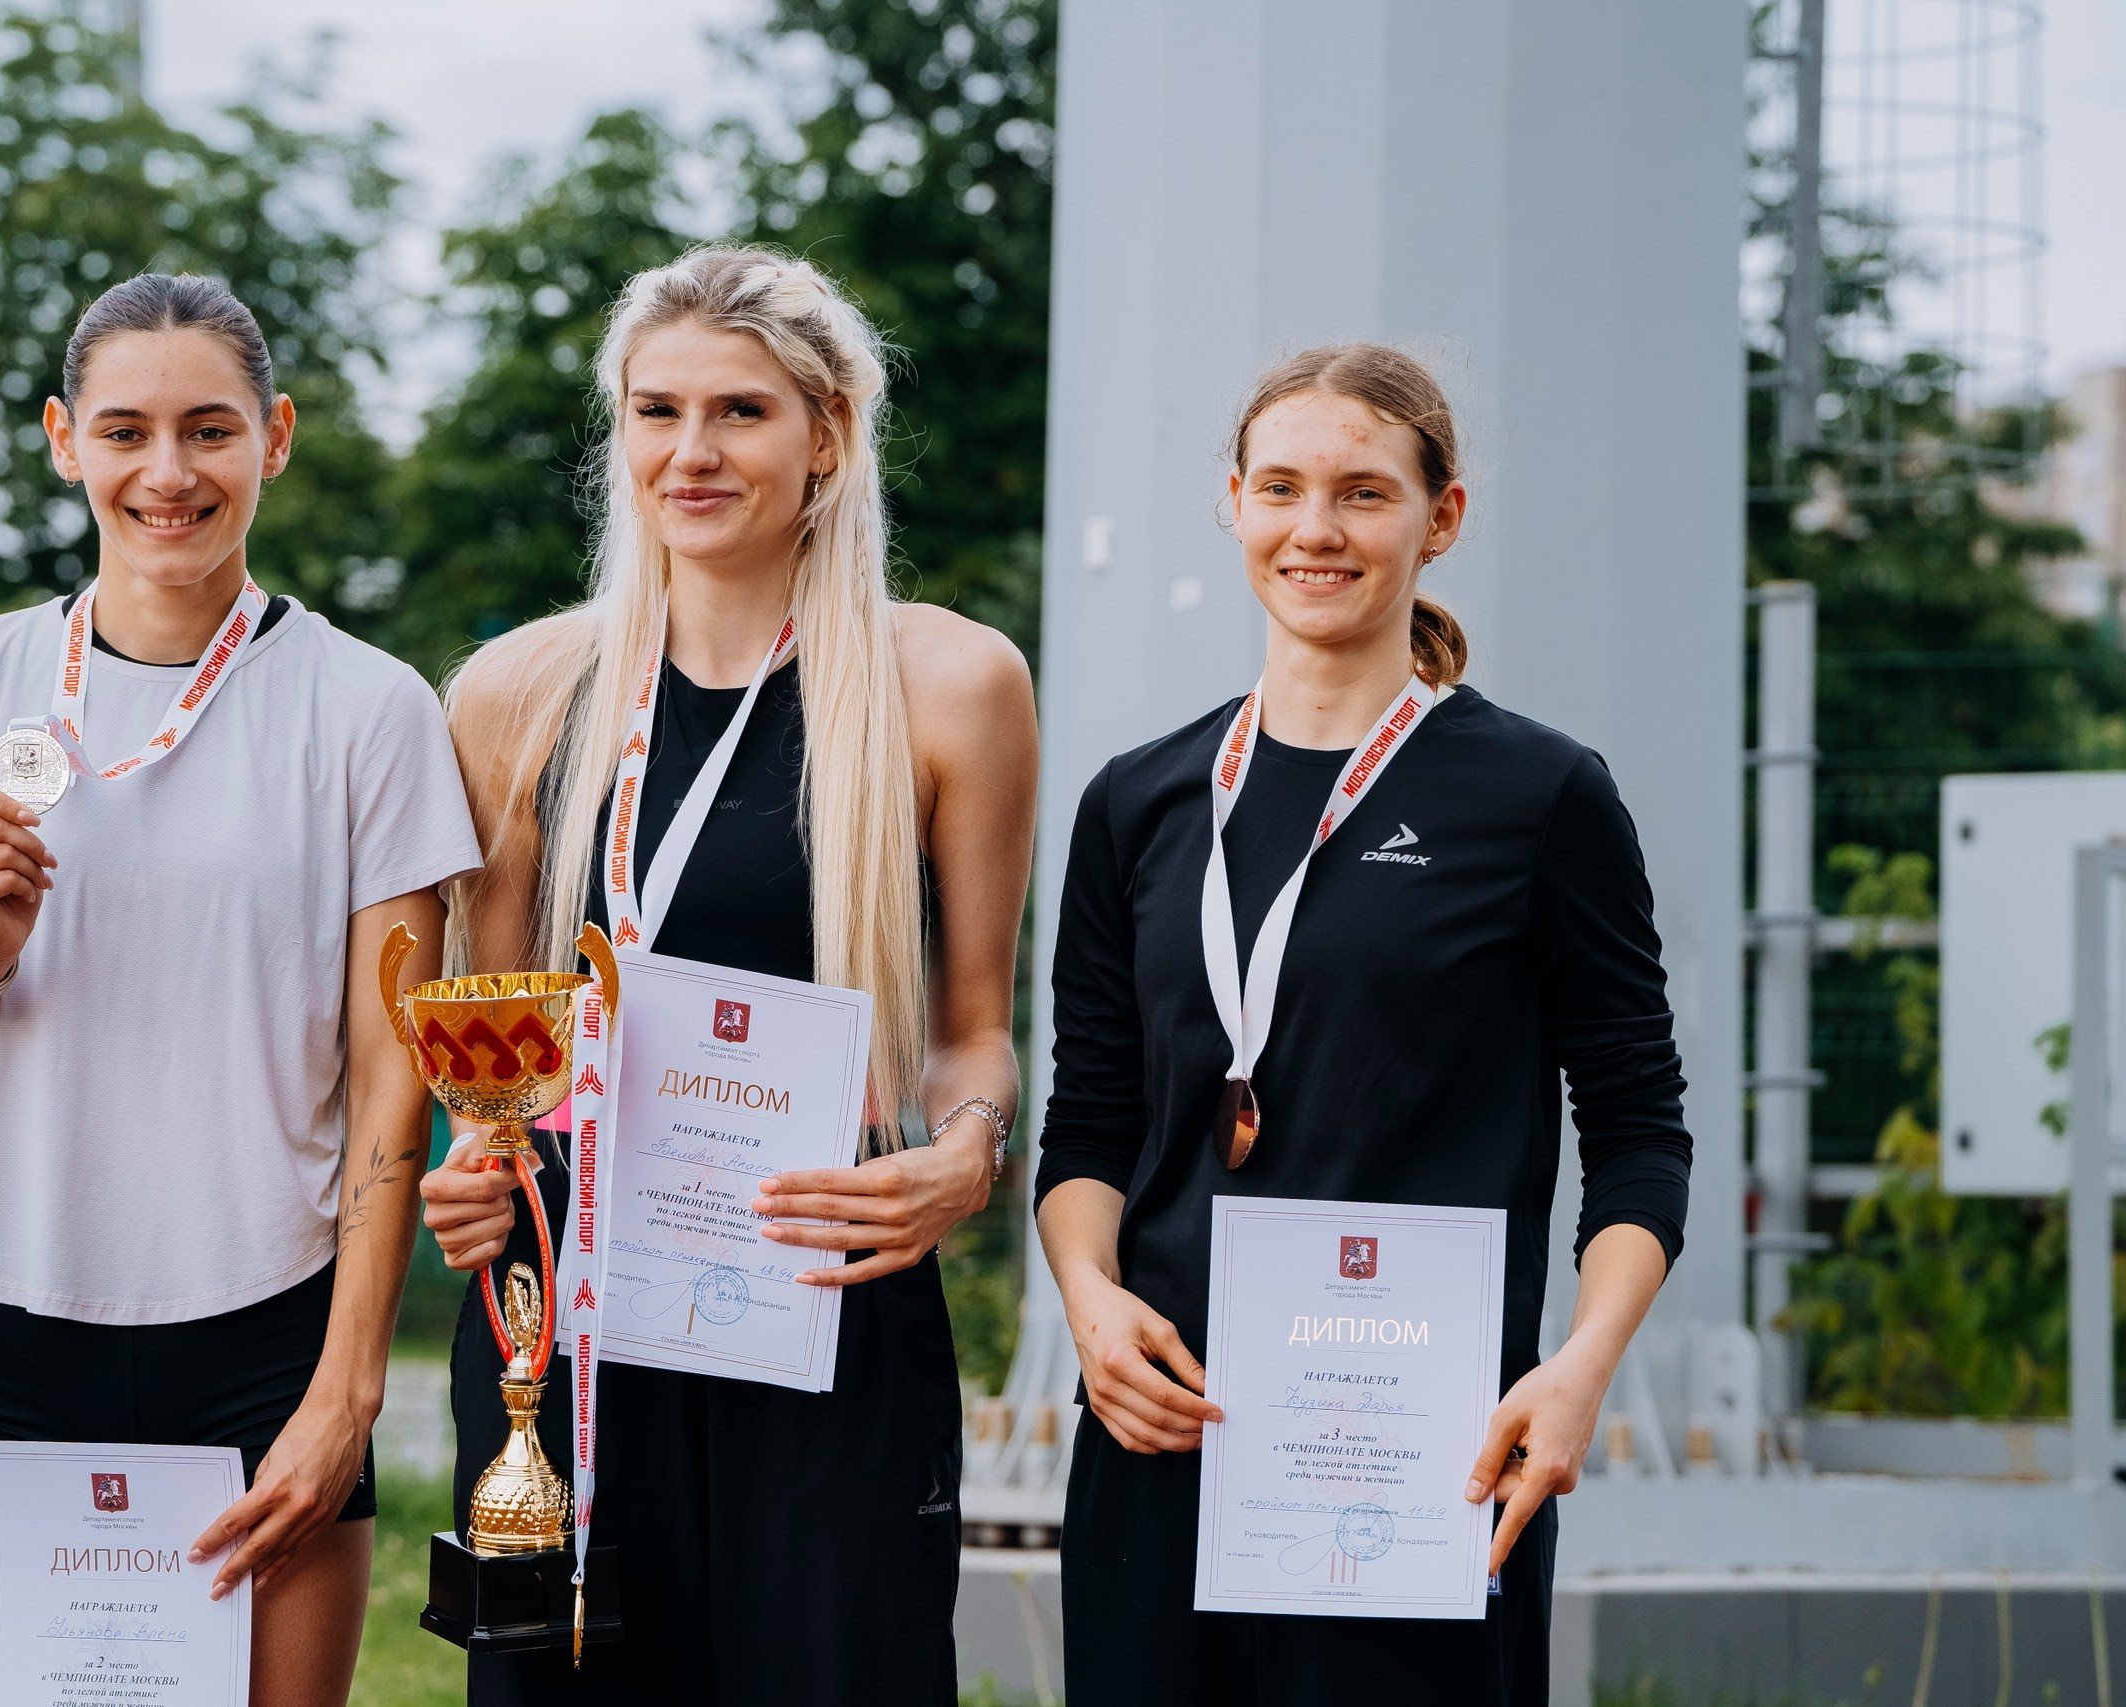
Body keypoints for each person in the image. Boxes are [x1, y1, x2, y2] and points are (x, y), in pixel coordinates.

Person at [0, 273, 482, 1707]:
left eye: (211, 430)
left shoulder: (371, 710)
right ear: (65, 441)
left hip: (269, 1331)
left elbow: (393, 1085)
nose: (168, 474)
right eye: (125, 432)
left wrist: (346, 1392)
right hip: (3, 1319)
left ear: (277, 436)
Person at [417, 243, 1038, 1704]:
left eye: (741, 413)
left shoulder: (949, 684)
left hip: (820, 1280)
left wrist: (964, 1152)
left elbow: (976, 1034)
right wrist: (470, 1156)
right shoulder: (515, 693)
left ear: (827, 434)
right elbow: (484, 1052)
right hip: (559, 1312)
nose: (691, 452)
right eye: (655, 411)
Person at [1035, 344, 1692, 1706]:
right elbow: (1089, 1123)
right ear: (1232, 504)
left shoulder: (1541, 794)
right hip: (1165, 1427)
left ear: (1439, 520)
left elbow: (1637, 1130)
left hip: (1421, 1443)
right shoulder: (1137, 802)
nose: (1315, 530)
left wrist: (1576, 1369)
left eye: (1363, 493)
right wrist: (1092, 1306)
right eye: (1280, 488)